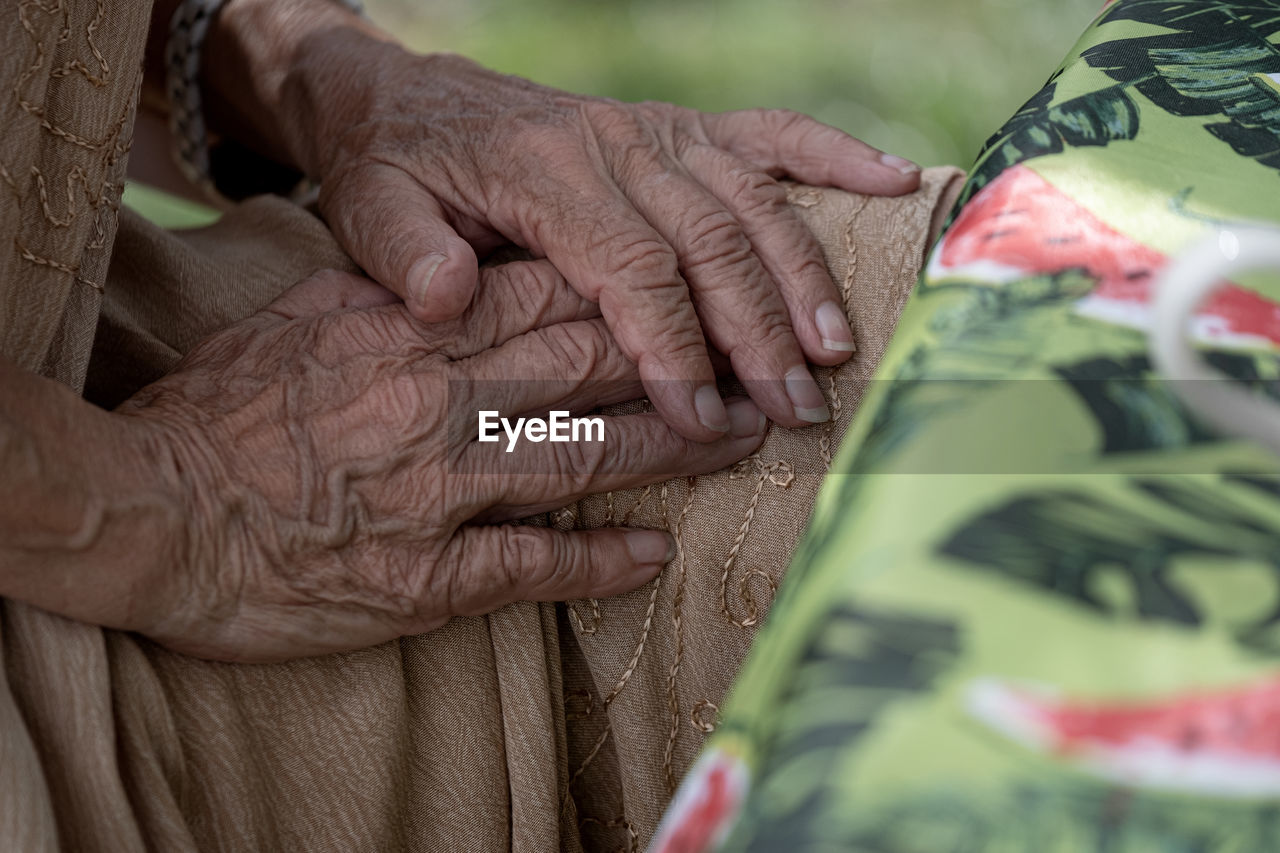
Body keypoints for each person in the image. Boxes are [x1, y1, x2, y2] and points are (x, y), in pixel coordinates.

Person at [0, 0, 961, 849]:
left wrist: (321, 71)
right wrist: (161, 498)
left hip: (227, 358)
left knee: (984, 322)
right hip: (95, 617)